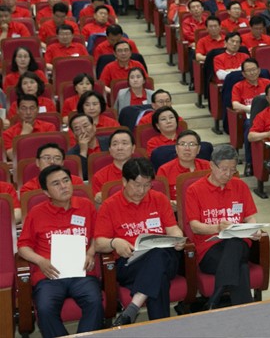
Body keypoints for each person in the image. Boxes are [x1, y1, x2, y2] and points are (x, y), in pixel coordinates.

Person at [95, 157, 185, 326]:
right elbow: (99, 243)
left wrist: (177, 238)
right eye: (137, 185)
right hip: (129, 263)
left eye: (147, 185)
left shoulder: (159, 199)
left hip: (165, 258)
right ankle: (161, 329)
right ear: (124, 181)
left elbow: (172, 228)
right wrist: (115, 243)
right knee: (159, 277)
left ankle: (133, 307)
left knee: (158, 254)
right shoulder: (110, 205)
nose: (142, 190)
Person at [17, 165, 102, 338]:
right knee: (45, 308)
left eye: (66, 181)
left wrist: (90, 252)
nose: (63, 186)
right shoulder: (36, 213)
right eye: (56, 184)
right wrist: (40, 261)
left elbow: (98, 235)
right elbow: (23, 247)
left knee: (94, 301)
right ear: (46, 192)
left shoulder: (86, 206)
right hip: (49, 275)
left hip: (81, 272)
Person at [185, 144, 260, 309]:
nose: (228, 174)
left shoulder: (240, 186)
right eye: (224, 169)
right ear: (212, 165)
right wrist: (218, 228)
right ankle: (245, 311)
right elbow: (195, 226)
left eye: (232, 170)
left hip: (239, 244)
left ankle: (214, 299)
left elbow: (250, 217)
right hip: (209, 250)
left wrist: (253, 229)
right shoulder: (194, 190)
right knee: (241, 267)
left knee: (235, 243)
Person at [232, 58, 270, 174]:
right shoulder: (238, 86)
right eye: (249, 71)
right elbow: (235, 105)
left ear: (259, 70)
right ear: (243, 74)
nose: (252, 72)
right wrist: (251, 109)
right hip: (249, 117)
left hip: (269, 116)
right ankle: (249, 162)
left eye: (254, 69)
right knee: (250, 126)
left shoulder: (267, 83)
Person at [157, 130, 209, 200]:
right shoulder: (164, 170)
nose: (187, 148)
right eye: (182, 144)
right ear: (176, 148)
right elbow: (161, 199)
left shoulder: (208, 166)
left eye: (192, 144)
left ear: (198, 149)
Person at [3, 95, 57, 160]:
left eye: (32, 108)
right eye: (24, 108)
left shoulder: (49, 127)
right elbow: (12, 156)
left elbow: (53, 152)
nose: (28, 112)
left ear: (38, 109)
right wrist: (24, 134)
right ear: (17, 110)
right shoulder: (8, 133)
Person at [20, 143, 84, 194]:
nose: (52, 162)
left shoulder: (75, 182)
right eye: (47, 158)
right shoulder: (28, 188)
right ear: (37, 162)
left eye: (57, 158)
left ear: (62, 163)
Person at [92, 129, 135, 203]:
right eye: (115, 144)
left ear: (133, 148)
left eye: (124, 143)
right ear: (110, 150)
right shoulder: (99, 177)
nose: (119, 148)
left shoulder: (144, 171)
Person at [67, 113, 110, 179]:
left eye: (85, 126)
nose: (83, 131)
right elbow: (81, 178)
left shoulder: (110, 142)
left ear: (94, 127)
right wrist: (83, 152)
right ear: (74, 134)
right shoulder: (71, 155)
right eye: (77, 129)